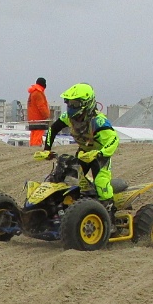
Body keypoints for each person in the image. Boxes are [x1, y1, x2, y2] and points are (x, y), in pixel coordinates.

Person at [37, 83, 120, 222]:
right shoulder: (68, 117)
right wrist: (47, 149)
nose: (71, 106)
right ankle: (64, 212)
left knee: (101, 183)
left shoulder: (98, 122)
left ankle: (109, 219)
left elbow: (113, 140)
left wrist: (99, 154)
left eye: (75, 103)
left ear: (86, 103)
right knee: (72, 181)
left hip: (100, 157)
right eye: (69, 102)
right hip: (83, 153)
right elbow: (54, 129)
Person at [27, 77, 49, 147]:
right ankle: (35, 148)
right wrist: (46, 116)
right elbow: (41, 106)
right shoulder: (38, 93)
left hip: (32, 118)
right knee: (37, 135)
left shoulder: (32, 92)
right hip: (39, 118)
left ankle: (32, 147)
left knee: (34, 135)